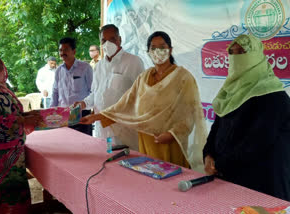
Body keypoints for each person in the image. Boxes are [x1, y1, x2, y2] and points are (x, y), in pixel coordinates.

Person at [80, 31, 207, 171]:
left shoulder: (183, 77)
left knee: (171, 182)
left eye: (162, 47)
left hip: (170, 142)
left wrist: (172, 134)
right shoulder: (144, 77)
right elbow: (125, 103)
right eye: (153, 48)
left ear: (170, 50)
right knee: (149, 179)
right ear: (148, 52)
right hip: (146, 140)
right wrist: (96, 117)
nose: (158, 51)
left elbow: (188, 113)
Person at [203, 34, 290, 201]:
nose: (237, 58)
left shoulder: (273, 97)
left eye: (242, 52)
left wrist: (219, 164)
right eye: (232, 53)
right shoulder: (230, 92)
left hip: (262, 185)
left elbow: (257, 143)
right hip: (230, 178)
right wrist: (208, 155)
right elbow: (216, 128)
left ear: (257, 56)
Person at [0, 55, 42, 213]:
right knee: (1, 190)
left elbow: (14, 112)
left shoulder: (5, 87)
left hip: (15, 147)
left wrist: (27, 115)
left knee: (18, 188)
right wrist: (23, 119)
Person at [74, 24, 145, 150]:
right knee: (106, 164)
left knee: (127, 166)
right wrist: (83, 104)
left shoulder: (134, 62)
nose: (108, 43)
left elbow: (140, 98)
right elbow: (96, 94)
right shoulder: (99, 66)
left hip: (125, 131)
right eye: (104, 40)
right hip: (102, 130)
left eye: (112, 39)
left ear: (120, 40)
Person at [51, 37, 93, 135]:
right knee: (65, 145)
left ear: (74, 51)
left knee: (84, 146)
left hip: (82, 115)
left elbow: (93, 91)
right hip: (63, 115)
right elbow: (55, 92)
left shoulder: (85, 68)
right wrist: (52, 111)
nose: (62, 53)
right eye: (60, 50)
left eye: (65, 50)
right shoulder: (58, 71)